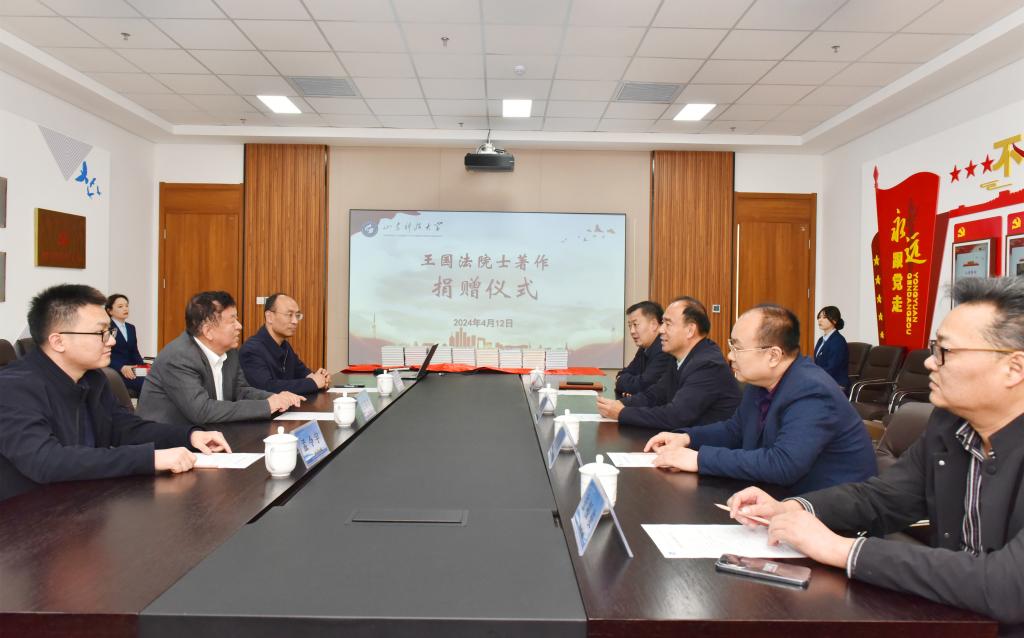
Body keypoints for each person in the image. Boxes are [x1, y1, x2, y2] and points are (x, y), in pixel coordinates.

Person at [725, 277, 1024, 635]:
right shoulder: (950, 425)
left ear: (1013, 369)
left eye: (945, 351)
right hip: (955, 615)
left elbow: (1009, 586)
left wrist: (844, 550)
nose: (930, 363)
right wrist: (794, 508)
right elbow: (882, 497)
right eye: (934, 348)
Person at [0, 284, 231, 502]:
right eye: (100, 333)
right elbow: (46, 461)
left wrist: (189, 436)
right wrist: (149, 458)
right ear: (58, 341)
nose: (111, 340)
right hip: (25, 517)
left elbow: (124, 429)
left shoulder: (92, 378)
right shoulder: (13, 387)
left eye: (109, 330)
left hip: (84, 503)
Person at [644, 304, 877, 494]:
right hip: (779, 500)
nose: (730, 355)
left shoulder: (812, 391)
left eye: (737, 347)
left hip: (832, 517)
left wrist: (699, 459)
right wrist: (686, 438)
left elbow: (783, 464)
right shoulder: (761, 382)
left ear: (773, 355)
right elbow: (735, 431)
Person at [137, 291, 303, 426]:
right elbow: (202, 410)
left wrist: (274, 397)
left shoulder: (229, 351)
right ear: (208, 331)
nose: (239, 326)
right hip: (168, 445)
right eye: (232, 321)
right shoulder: (179, 357)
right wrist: (267, 406)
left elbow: (241, 391)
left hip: (211, 435)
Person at [598, 297, 740, 430]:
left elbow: (676, 416)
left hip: (707, 445)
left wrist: (622, 413)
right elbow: (655, 395)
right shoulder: (677, 357)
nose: (661, 330)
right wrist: (619, 404)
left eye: (668, 324)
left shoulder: (707, 365)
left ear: (690, 330)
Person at [239, 293, 330, 395]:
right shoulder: (251, 350)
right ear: (269, 317)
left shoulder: (285, 346)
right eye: (289, 315)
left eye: (297, 315)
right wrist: (313, 383)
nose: (295, 321)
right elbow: (266, 387)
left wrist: (320, 377)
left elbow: (303, 373)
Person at [614, 301, 674, 398]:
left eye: (635, 324)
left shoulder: (664, 349)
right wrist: (627, 383)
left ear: (654, 324)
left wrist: (622, 381)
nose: (632, 331)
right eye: (630, 326)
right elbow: (626, 372)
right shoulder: (644, 348)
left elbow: (642, 384)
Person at [105, 293, 146, 395]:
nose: (125, 309)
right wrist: (121, 367)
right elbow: (104, 353)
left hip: (132, 370)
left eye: (126, 306)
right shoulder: (106, 328)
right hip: (116, 371)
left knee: (154, 379)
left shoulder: (131, 327)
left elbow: (134, 352)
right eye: (120, 306)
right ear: (109, 311)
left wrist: (143, 367)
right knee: (147, 384)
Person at [813, 305, 849, 391]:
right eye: (819, 317)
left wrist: (813, 377)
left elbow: (832, 368)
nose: (820, 320)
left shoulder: (838, 341)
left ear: (834, 320)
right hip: (823, 380)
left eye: (824, 317)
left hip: (836, 383)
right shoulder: (821, 340)